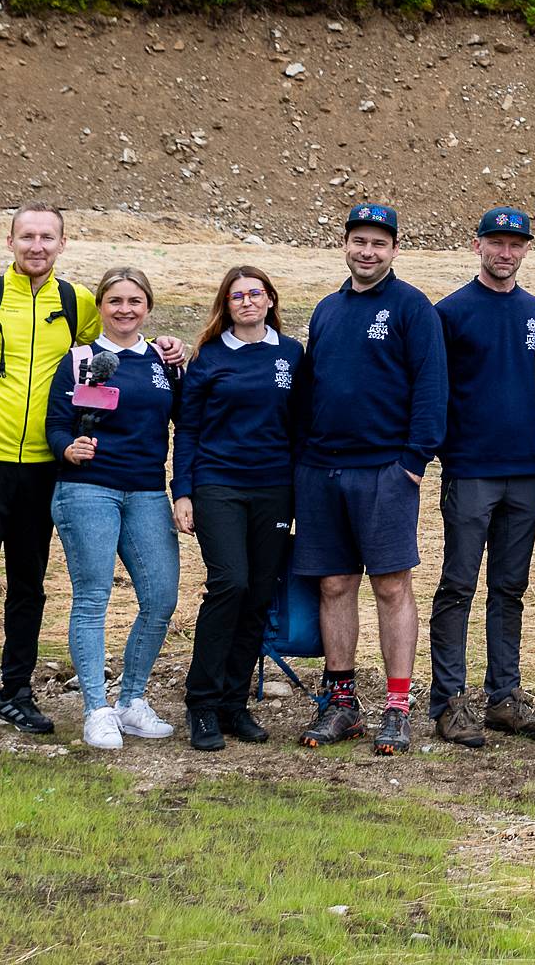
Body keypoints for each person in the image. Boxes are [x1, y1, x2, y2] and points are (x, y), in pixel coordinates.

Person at [0, 205, 119, 739]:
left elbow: (103, 357)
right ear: (10, 240)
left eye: (47, 237)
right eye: (27, 236)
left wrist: (166, 351)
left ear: (62, 244)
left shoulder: (76, 301)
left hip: (44, 467)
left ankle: (16, 692)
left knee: (29, 584)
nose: (37, 246)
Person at [292, 203, 447, 755]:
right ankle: (340, 704)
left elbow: (432, 389)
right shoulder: (327, 310)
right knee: (334, 585)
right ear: (345, 244)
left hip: (385, 469)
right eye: (359, 240)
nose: (367, 251)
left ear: (394, 250)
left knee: (390, 585)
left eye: (379, 243)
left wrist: (413, 461)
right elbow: (311, 390)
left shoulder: (411, 308)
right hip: (321, 469)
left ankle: (398, 706)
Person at [429, 207, 535, 748]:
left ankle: (504, 697)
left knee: (509, 588)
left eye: (516, 244)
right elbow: (433, 391)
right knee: (459, 585)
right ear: (477, 245)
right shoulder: (450, 312)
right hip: (471, 471)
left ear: (526, 250)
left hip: (525, 472)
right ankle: (449, 703)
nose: (506, 252)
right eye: (496, 242)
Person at [45, 268, 184, 750]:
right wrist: (68, 448)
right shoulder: (81, 359)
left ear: (148, 307)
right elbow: (57, 423)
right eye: (115, 301)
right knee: (93, 597)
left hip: (146, 490)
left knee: (161, 597)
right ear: (100, 307)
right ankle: (95, 709)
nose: (125, 309)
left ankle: (131, 700)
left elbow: (185, 419)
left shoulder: (163, 361)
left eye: (135, 301)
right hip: (88, 489)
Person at [173, 264, 307, 750]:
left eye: (256, 293)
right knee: (230, 583)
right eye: (237, 296)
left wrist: (300, 493)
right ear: (225, 306)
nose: (247, 301)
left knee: (257, 596)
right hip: (218, 485)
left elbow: (299, 428)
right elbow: (186, 429)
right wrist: (182, 491)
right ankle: (202, 704)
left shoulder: (292, 354)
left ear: (270, 299)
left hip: (273, 488)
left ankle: (234, 705)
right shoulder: (208, 357)